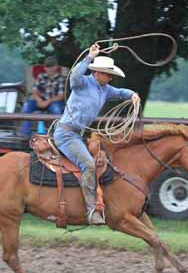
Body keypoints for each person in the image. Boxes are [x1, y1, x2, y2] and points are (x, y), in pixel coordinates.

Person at [54, 43, 140, 224]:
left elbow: (120, 93)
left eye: (111, 75)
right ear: (98, 73)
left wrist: (132, 94)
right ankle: (91, 210)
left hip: (78, 135)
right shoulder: (82, 83)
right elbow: (74, 76)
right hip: (66, 134)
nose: (110, 78)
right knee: (88, 164)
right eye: (108, 74)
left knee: (103, 162)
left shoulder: (105, 89)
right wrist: (89, 57)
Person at [20, 56, 66, 136]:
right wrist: (39, 100)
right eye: (47, 67)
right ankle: (25, 134)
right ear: (44, 67)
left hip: (54, 102)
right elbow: (34, 91)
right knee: (26, 105)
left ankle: (58, 135)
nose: (49, 69)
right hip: (40, 101)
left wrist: (47, 102)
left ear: (56, 67)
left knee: (56, 109)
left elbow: (61, 96)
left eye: (52, 66)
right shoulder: (41, 76)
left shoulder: (61, 79)